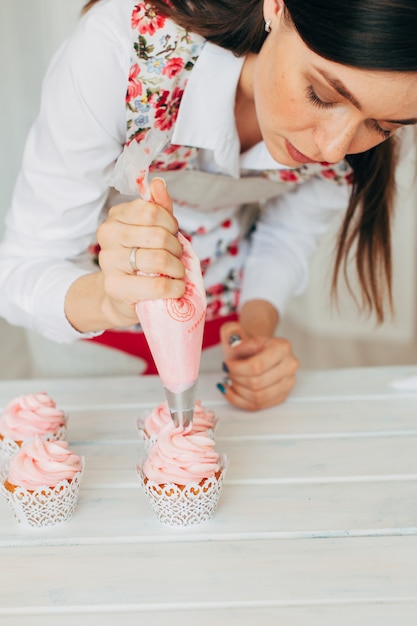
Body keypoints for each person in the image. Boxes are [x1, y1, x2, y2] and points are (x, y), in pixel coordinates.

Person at [0, 0, 417, 410]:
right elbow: (23, 268)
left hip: (215, 336)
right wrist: (110, 301)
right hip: (90, 336)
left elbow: (287, 235)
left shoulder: (382, 104)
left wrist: (254, 335)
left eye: (381, 126)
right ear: (276, 7)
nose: (332, 148)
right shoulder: (120, 53)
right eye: (321, 94)